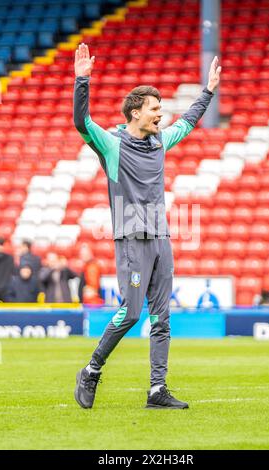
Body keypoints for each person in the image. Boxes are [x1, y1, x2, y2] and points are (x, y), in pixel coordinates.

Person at [73, 43, 221, 409]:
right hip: (131, 239)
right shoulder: (111, 144)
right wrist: (82, 82)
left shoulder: (160, 141)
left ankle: (157, 390)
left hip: (160, 238)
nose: (161, 114)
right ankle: (91, 370)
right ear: (136, 113)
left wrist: (208, 91)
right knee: (132, 312)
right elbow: (82, 122)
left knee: (162, 317)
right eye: (155, 109)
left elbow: (187, 121)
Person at [0, 238, 15, 302]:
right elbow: (14, 272)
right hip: (6, 289)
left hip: (5, 289)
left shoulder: (10, 258)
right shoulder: (10, 258)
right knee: (9, 311)